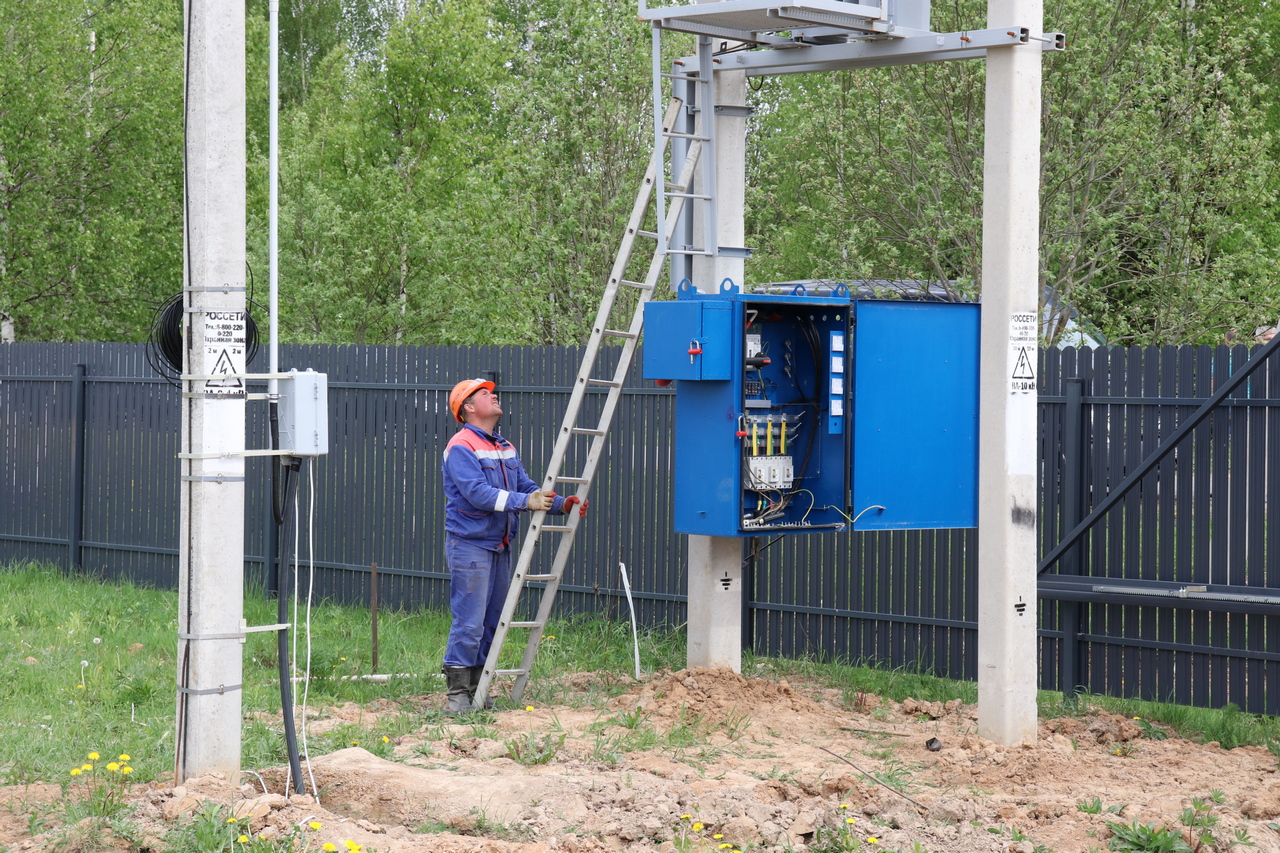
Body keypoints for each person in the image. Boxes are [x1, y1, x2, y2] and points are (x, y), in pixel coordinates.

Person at [440, 378, 587, 714]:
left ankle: (479, 689)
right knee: (470, 621)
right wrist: (528, 501)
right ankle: (458, 694)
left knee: (492, 620)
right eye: (483, 394)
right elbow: (478, 493)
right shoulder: (460, 446)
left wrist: (561, 503)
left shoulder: (503, 445)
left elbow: (525, 486)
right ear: (468, 408)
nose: (493, 395)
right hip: (471, 544)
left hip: (499, 544)